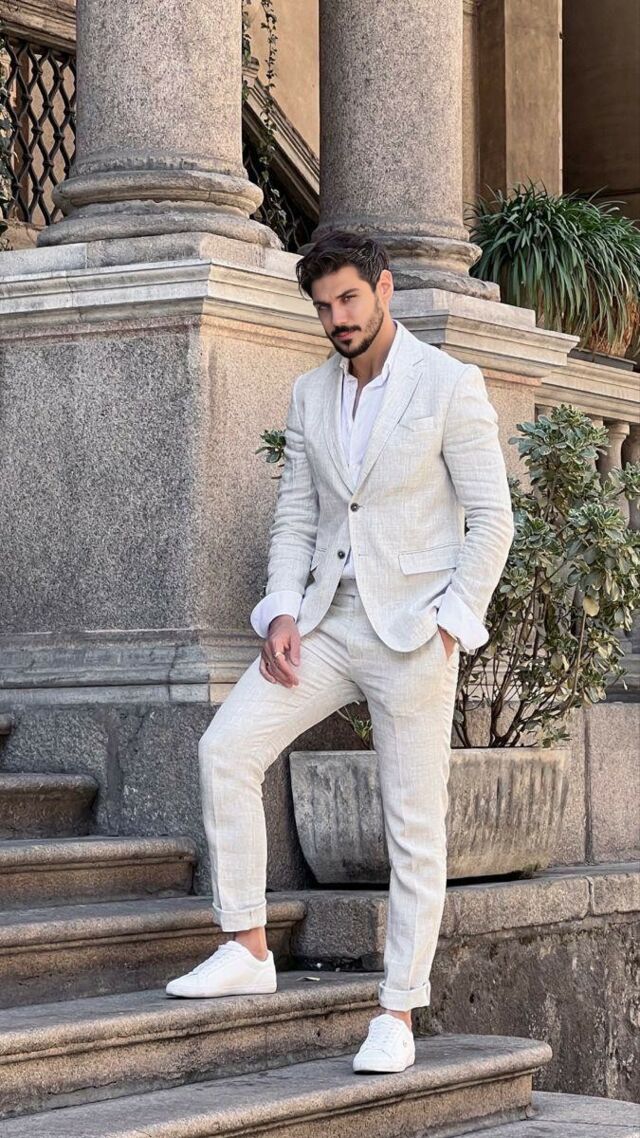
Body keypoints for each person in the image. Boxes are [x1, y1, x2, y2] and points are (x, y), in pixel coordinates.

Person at [165, 230, 515, 1074]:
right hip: (326, 623)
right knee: (226, 748)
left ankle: (397, 1009)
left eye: (349, 299)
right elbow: (297, 514)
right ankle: (247, 945)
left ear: (384, 289)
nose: (337, 319)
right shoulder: (310, 392)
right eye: (324, 307)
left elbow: (492, 518)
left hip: (412, 633)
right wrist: (282, 611)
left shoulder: (448, 384)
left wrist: (451, 622)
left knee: (413, 825)